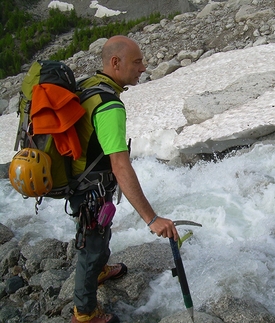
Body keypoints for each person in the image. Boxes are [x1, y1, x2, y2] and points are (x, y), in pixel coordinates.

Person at [69, 35, 179, 323]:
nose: (143, 68)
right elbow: (120, 165)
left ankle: (100, 269)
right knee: (91, 245)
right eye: (137, 61)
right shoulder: (108, 105)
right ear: (115, 63)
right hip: (89, 186)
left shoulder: (89, 86)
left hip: (79, 179)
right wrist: (152, 218)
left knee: (98, 233)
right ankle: (85, 313)